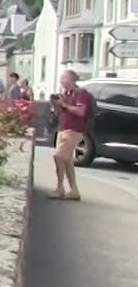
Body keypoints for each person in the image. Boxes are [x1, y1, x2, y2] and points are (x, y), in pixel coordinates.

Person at [50, 70, 92, 201]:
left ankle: (60, 188)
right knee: (67, 160)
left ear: (72, 80)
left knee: (58, 156)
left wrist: (64, 105)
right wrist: (56, 105)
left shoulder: (81, 94)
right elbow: (59, 114)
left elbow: (80, 112)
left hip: (73, 130)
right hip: (63, 129)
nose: (61, 80)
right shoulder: (65, 94)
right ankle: (74, 190)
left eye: (64, 78)